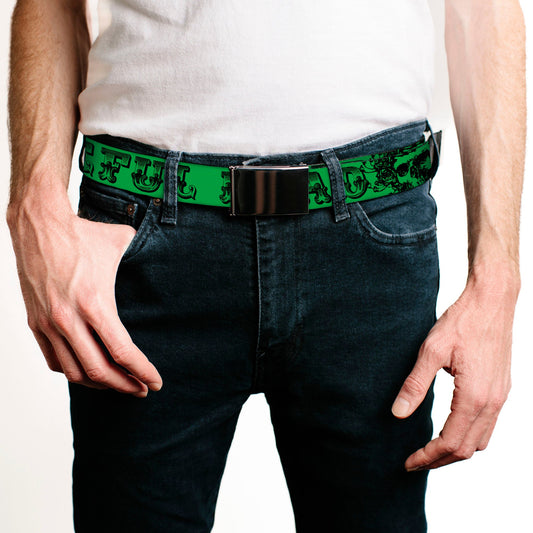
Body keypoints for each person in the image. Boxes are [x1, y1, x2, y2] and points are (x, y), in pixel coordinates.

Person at [6, 0, 525, 532]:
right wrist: (33, 209)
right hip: (141, 230)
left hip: (371, 239)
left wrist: (497, 284)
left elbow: (486, 11)